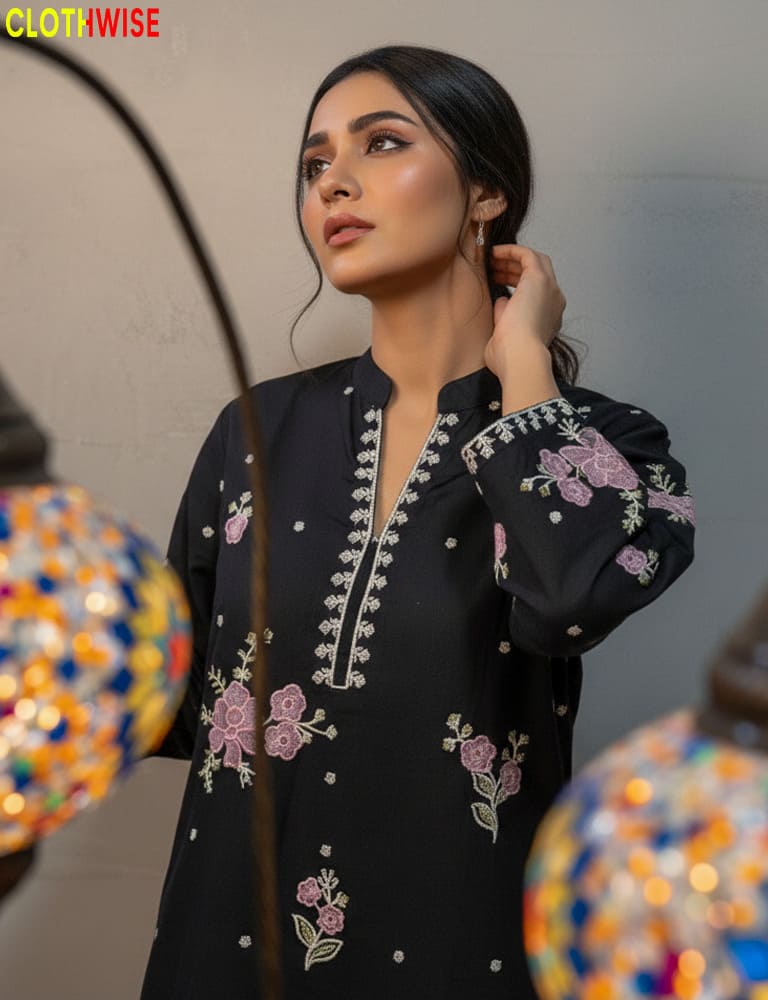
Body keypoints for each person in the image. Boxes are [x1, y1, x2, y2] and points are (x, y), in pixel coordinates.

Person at [140, 44, 697, 999]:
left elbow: (568, 601)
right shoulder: (255, 433)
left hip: (465, 951)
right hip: (228, 948)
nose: (333, 185)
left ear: (486, 192)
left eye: (381, 143)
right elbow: (168, 701)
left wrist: (522, 365)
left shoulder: (610, 448)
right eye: (314, 165)